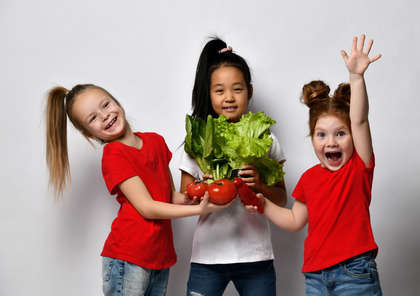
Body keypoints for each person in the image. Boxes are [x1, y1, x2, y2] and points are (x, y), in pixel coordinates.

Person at [45, 84, 226, 296]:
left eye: (106, 104)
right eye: (93, 118)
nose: (104, 116)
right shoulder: (114, 155)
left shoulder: (155, 141)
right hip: (128, 257)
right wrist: (198, 211)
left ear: (117, 102)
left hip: (160, 256)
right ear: (90, 135)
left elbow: (167, 197)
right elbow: (147, 207)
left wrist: (199, 194)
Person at [247, 35, 383, 295]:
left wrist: (357, 78)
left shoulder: (359, 166)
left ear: (353, 136)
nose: (330, 142)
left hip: (354, 272)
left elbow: (360, 121)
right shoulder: (309, 178)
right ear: (312, 137)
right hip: (316, 277)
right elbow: (295, 219)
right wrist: (264, 205)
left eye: (340, 134)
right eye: (321, 135)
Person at [179, 38, 287, 296]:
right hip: (208, 257)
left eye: (237, 89)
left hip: (256, 257)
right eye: (219, 90)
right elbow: (183, 200)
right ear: (208, 93)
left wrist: (260, 184)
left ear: (249, 90)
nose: (229, 97)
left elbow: (282, 199)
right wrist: (202, 187)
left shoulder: (266, 139)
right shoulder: (198, 140)